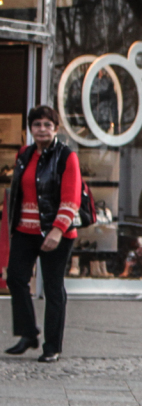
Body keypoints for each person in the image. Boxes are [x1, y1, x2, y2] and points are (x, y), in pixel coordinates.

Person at [5, 106, 82, 363]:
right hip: (25, 230)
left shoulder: (65, 156)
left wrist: (58, 230)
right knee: (15, 278)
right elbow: (18, 192)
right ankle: (28, 333)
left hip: (55, 232)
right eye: (37, 125)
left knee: (52, 288)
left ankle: (52, 346)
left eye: (47, 125)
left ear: (56, 128)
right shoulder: (24, 154)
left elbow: (71, 197)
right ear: (31, 129)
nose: (42, 129)